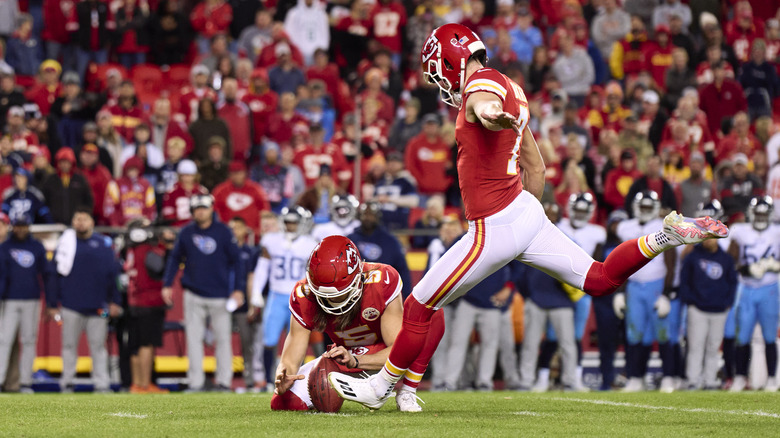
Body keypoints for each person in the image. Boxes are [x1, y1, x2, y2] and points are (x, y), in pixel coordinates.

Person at [329, 24, 727, 409]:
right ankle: (665, 237)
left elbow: (482, 103)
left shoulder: (480, 86)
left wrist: (488, 118)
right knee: (600, 279)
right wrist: (524, 226)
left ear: (450, 62)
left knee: (419, 306)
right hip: (525, 212)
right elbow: (536, 169)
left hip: (496, 223)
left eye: (439, 73)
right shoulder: (515, 90)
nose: (441, 83)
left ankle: (382, 387)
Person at [271, 235, 442, 412]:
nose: (332, 301)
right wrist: (283, 376)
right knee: (283, 402)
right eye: (324, 296)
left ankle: (407, 391)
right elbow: (290, 359)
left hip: (384, 360)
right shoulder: (304, 294)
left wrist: (357, 360)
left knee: (432, 315)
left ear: (358, 277)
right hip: (344, 357)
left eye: (340, 294)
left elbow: (399, 349)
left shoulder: (381, 280)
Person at [162, 194, 246, 392]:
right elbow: (174, 259)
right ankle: (195, 382)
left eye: (204, 207)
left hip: (220, 295)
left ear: (211, 209)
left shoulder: (224, 232)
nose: (200, 211)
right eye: (197, 208)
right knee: (193, 339)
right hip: (194, 293)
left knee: (223, 340)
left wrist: (239, 290)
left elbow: (238, 261)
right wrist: (167, 284)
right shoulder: (186, 233)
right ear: (192, 211)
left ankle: (224, 382)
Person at [46, 208, 122, 393]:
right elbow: (53, 276)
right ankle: (68, 382)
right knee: (69, 346)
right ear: (72, 222)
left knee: (98, 346)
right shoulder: (65, 244)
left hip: (98, 306)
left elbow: (114, 275)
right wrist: (52, 304)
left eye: (84, 219)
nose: (80, 222)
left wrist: (115, 301)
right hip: (71, 305)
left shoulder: (104, 244)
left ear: (92, 222)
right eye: (77, 218)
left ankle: (102, 383)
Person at [614, 191, 677, 393]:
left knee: (663, 333)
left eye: (649, 207)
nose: (646, 211)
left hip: (657, 285)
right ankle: (635, 377)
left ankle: (669, 377)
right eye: (643, 207)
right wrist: (620, 292)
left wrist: (667, 293)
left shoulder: (663, 227)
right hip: (634, 286)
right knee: (635, 334)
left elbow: (671, 261)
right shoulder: (626, 228)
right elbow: (620, 262)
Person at [251, 206, 318, 393]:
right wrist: (256, 292)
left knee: (300, 342)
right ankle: (265, 382)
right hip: (276, 295)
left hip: (301, 298)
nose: (290, 226)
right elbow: (263, 268)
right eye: (287, 222)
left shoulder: (310, 243)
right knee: (269, 339)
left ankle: (297, 382)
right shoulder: (271, 240)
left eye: (294, 222)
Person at [727, 196, 780, 392]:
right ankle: (740, 377)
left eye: (763, 213)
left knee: (769, 337)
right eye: (757, 213)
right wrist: (745, 269)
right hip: (747, 289)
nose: (759, 217)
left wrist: (775, 265)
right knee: (743, 337)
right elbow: (731, 259)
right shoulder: (740, 231)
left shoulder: (776, 232)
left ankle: (772, 378)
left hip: (770, 289)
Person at [0, 214, 51, 393]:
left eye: (24, 226)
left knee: (29, 341)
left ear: (29, 226)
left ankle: (25, 382)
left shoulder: (36, 246)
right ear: (13, 227)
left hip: (31, 298)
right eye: (18, 226)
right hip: (9, 299)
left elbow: (46, 273)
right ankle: (1, 380)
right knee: (4, 340)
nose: (21, 229)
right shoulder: (5, 247)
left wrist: (51, 302)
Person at [680, 233, 738, 390]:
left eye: (712, 237)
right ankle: (693, 379)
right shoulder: (692, 257)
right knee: (695, 345)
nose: (709, 240)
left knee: (713, 347)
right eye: (706, 237)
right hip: (697, 309)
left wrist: (727, 303)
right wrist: (691, 301)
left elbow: (732, 283)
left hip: (719, 310)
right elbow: (684, 280)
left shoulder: (726, 259)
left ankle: (710, 380)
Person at [123, 218, 169, 394]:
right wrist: (165, 249)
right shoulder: (147, 250)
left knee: (135, 345)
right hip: (149, 302)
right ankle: (144, 384)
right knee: (147, 344)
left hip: (134, 301)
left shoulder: (131, 250)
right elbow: (159, 267)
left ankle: (136, 383)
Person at [227, 216, 261, 393]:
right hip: (224, 301)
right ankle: (223, 377)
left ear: (245, 230)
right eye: (231, 227)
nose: (234, 231)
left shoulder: (251, 252)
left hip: (243, 304)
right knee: (221, 340)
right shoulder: (224, 251)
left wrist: (251, 304)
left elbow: (253, 279)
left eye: (237, 227)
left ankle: (249, 378)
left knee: (247, 341)